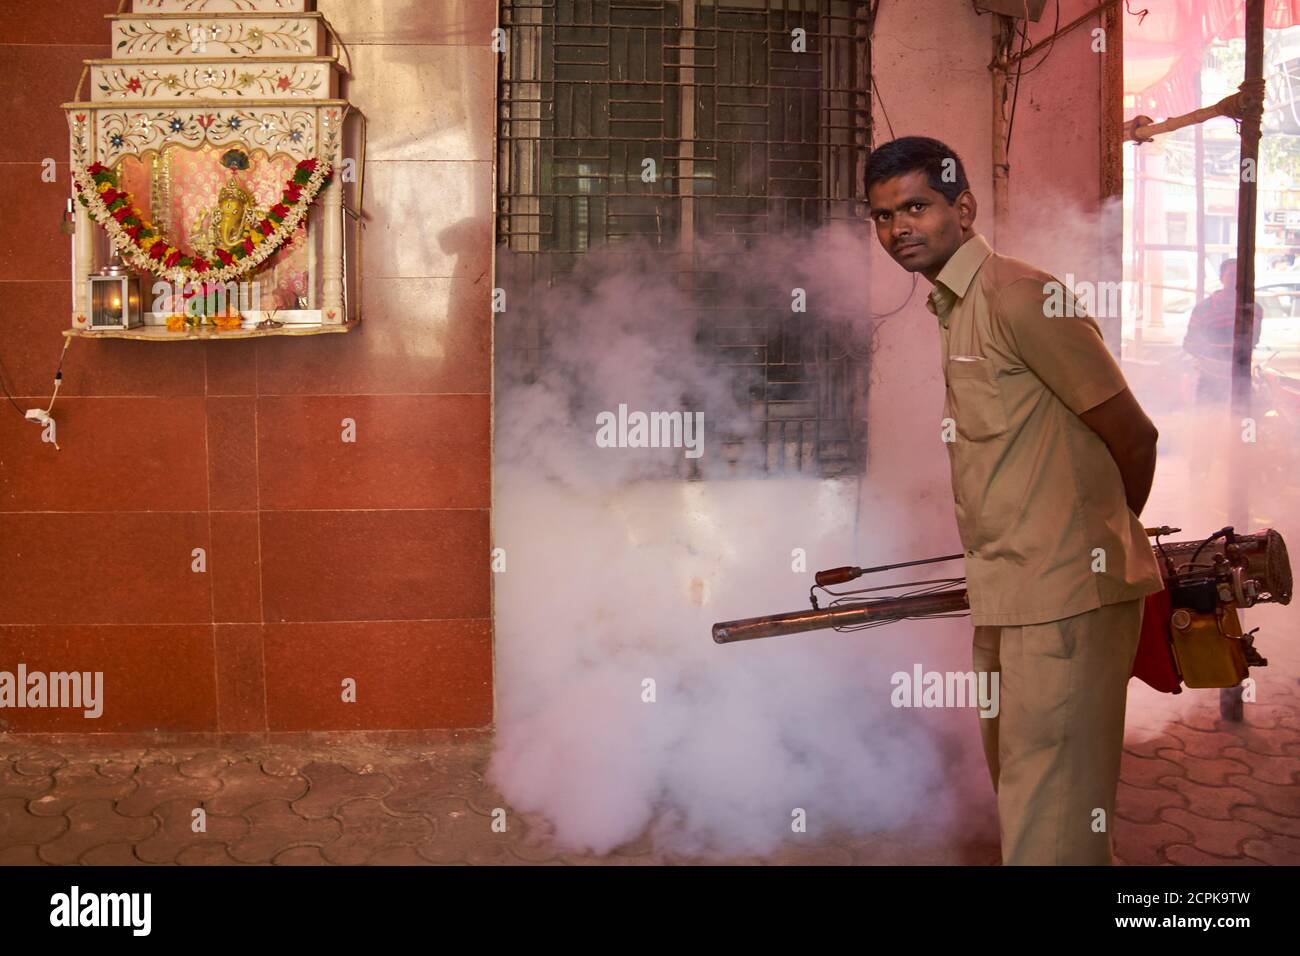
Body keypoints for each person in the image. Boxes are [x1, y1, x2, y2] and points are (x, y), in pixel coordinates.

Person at [865, 136, 1165, 865]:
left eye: (916, 207)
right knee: (1038, 801)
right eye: (881, 216)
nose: (898, 228)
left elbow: (1133, 435)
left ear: (962, 208)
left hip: (1063, 599)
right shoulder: (954, 307)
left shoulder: (1022, 297)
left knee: (1051, 820)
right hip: (1008, 596)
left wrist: (1095, 543)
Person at [1182, 258, 1263, 405]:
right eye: (1232, 275)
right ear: (1221, 278)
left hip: (1241, 379)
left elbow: (1253, 341)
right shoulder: (1204, 309)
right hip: (1210, 380)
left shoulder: (1255, 310)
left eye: (1241, 275)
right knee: (1207, 421)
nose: (1237, 280)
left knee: (1241, 420)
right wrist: (1211, 361)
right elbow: (1190, 343)